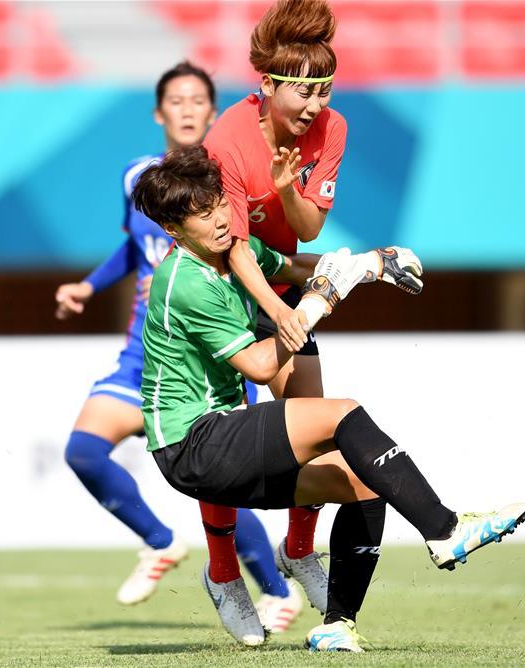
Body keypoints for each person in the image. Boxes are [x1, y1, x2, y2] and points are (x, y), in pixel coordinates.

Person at [132, 145, 525, 652]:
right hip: (191, 446)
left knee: (364, 482)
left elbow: (299, 266)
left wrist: (371, 264)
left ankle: (337, 625)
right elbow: (260, 365)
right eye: (200, 214)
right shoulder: (184, 280)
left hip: (223, 437)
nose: (217, 219)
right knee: (341, 414)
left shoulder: (237, 248)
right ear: (174, 230)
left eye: (218, 204)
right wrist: (320, 300)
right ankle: (444, 528)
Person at [54, 62, 302, 629]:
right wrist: (88, 286)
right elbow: (134, 246)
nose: (188, 109)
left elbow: (252, 252)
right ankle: (162, 542)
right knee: (83, 450)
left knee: (222, 487)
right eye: (177, 100)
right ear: (159, 113)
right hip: (146, 352)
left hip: (212, 353)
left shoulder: (228, 181)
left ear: (213, 113)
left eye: (198, 101)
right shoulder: (139, 180)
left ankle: (273, 588)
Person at [201, 0, 347, 616]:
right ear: (266, 85)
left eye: (326, 90)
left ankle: (298, 548)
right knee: (225, 441)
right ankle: (224, 573)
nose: (316, 106)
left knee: (312, 420)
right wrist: (279, 312)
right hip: (221, 291)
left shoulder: (332, 129)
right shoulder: (226, 139)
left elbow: (309, 230)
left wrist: (288, 188)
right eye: (304, 92)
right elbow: (231, 247)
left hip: (280, 280)